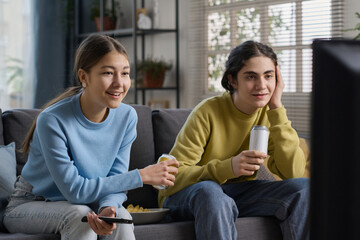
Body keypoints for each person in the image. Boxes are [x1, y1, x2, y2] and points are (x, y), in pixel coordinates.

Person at [3, 34, 179, 240]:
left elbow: (115, 177)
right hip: (31, 204)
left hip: (85, 203)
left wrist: (108, 207)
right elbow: (75, 191)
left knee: (120, 216)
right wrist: (141, 176)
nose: (119, 83)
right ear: (84, 76)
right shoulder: (52, 120)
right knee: (80, 216)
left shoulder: (127, 117)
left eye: (125, 73)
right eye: (108, 73)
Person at [159, 40, 309, 240]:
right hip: (186, 196)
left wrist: (277, 107)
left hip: (233, 194)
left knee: (304, 188)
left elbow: (293, 173)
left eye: (268, 76)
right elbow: (172, 178)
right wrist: (228, 167)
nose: (262, 85)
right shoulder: (207, 112)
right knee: (211, 191)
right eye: (251, 77)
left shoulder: (271, 114)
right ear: (233, 80)